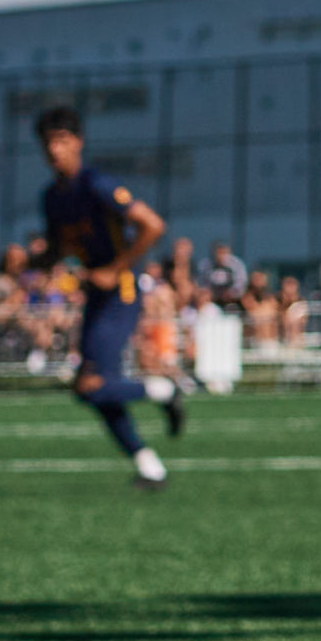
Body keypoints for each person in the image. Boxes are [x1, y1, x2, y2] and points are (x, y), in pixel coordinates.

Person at [36, 105, 187, 489]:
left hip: (121, 292)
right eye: (49, 142)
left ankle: (165, 389)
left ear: (78, 142)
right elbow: (58, 249)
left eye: (63, 140)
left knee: (92, 385)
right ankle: (149, 466)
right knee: (89, 391)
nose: (56, 149)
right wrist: (37, 261)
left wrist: (114, 268)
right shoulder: (52, 198)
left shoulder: (97, 184)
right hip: (95, 297)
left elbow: (152, 225)